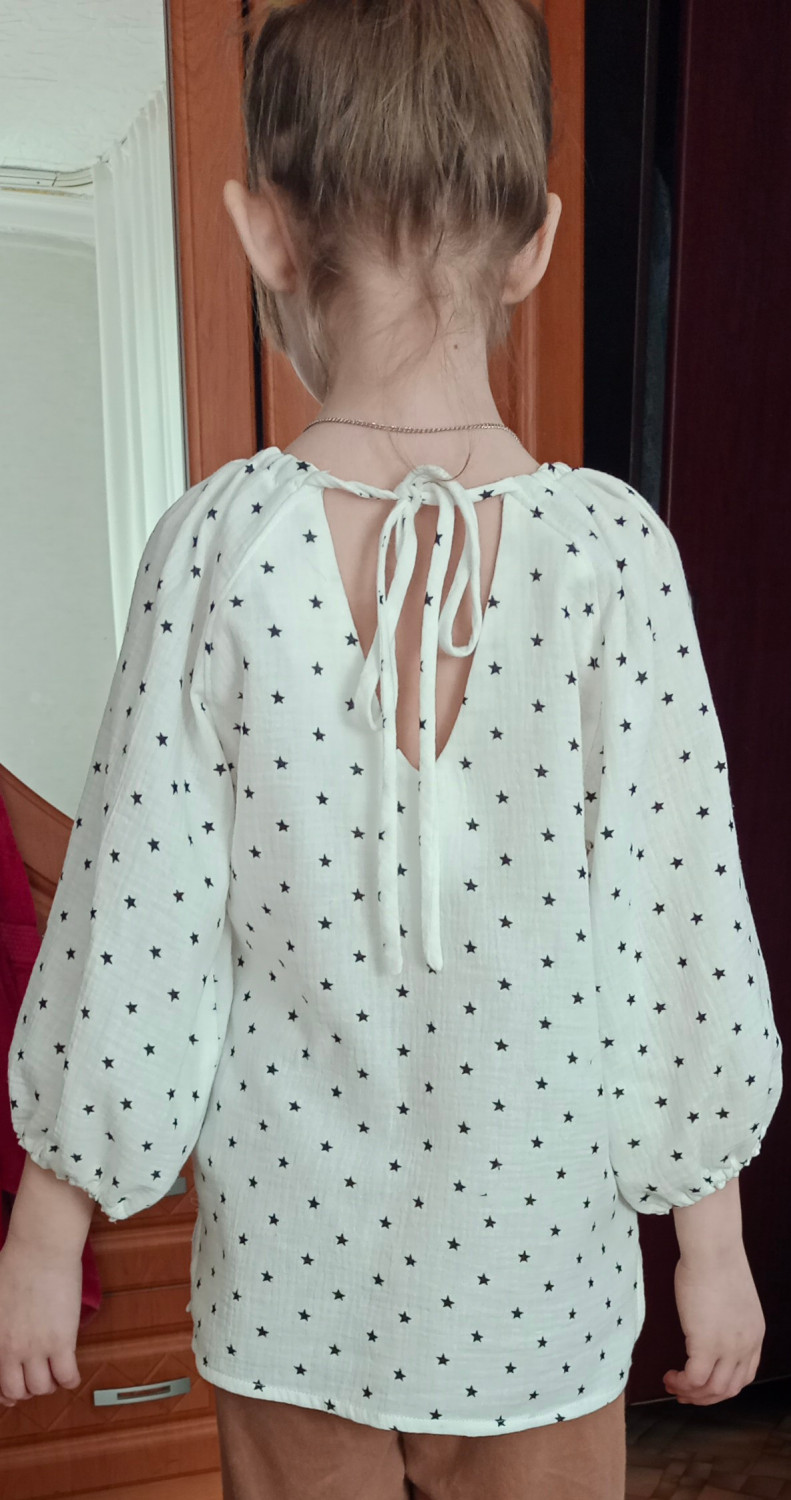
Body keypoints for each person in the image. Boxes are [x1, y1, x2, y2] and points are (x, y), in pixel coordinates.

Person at [0, 1, 782, 1496]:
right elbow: (678, 928)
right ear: (538, 242)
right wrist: (715, 1243)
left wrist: (50, 1225)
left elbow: (136, 922)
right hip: (539, 1281)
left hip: (289, 1284)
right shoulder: (616, 558)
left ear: (262, 231)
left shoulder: (214, 548)